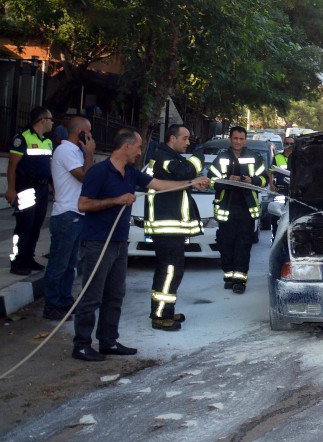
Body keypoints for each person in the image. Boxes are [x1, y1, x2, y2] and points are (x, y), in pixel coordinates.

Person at [71, 128, 208, 362]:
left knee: (115, 295)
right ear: (126, 147)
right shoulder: (99, 172)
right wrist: (116, 200)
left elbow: (159, 184)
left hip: (119, 242)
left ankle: (108, 341)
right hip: (98, 242)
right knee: (93, 296)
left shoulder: (131, 173)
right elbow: (83, 204)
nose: (140, 151)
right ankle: (82, 345)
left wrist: (192, 182)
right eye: (138, 147)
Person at [144, 124, 204, 331]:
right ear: (172, 138)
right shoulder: (163, 157)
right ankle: (160, 316)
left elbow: (183, 179)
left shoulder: (169, 156)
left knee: (169, 270)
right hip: (166, 226)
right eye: (185, 138)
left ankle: (165, 311)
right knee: (169, 271)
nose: (188, 143)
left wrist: (194, 181)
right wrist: (199, 157)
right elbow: (184, 171)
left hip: (170, 227)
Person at [41, 116, 95, 320]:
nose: (90, 135)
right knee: (59, 263)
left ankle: (64, 300)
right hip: (66, 214)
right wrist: (89, 154)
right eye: (88, 131)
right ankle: (51, 305)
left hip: (77, 213)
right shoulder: (65, 150)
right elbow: (84, 177)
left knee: (71, 264)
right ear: (79, 132)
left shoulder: (75, 151)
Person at [208, 126, 267, 294]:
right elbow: (212, 181)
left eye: (241, 139)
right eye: (235, 138)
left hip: (246, 210)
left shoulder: (254, 157)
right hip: (226, 209)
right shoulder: (221, 158)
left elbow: (264, 180)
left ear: (245, 140)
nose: (238, 142)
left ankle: (240, 281)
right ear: (230, 139)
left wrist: (252, 180)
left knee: (243, 245)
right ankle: (229, 276)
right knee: (226, 245)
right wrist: (226, 180)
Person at [6, 107, 55, 275]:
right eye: (50, 119)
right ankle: (17, 261)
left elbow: (49, 167)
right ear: (42, 120)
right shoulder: (22, 138)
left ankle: (28, 258)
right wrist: (11, 189)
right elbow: (12, 166)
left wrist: (53, 187)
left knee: (36, 225)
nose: (52, 122)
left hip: (42, 189)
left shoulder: (48, 141)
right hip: (26, 187)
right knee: (24, 226)